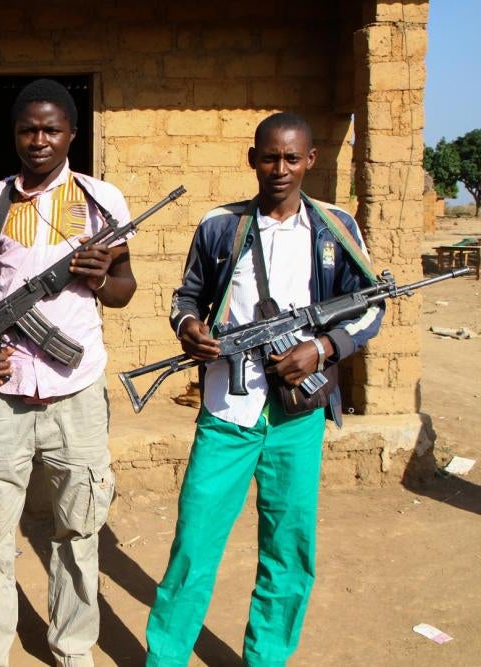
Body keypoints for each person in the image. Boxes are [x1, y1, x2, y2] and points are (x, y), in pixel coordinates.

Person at [144, 112, 385, 666]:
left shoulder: (337, 228)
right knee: (194, 547)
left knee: (289, 550)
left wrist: (321, 350)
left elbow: (371, 311)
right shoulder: (219, 226)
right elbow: (187, 296)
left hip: (298, 418)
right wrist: (190, 330)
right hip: (227, 412)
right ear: (253, 159)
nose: (280, 169)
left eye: (292, 158)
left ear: (311, 161)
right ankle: (165, 658)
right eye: (270, 158)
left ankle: (268, 658)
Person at [0, 78, 137, 667]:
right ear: (14, 134)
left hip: (76, 390)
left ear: (72, 135)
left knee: (79, 530)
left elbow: (124, 289)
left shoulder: (103, 201)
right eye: (28, 129)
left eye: (52, 129)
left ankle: (72, 647)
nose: (39, 140)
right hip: (3, 390)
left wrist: (99, 278)